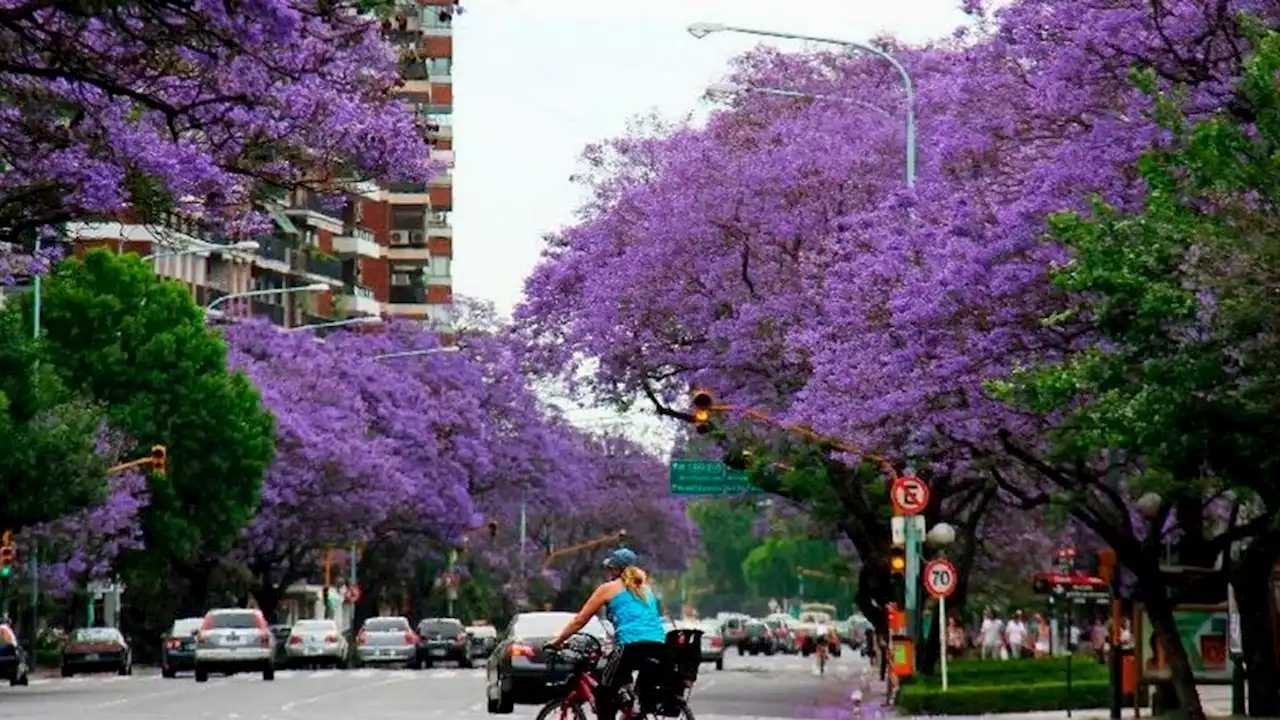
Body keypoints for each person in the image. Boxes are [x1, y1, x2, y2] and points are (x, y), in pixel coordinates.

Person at [548, 548, 666, 720]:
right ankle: (631, 712)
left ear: (617, 570)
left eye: (610, 569)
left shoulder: (608, 588)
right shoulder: (646, 589)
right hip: (658, 647)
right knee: (624, 687)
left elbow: (580, 620)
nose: (608, 573)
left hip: (630, 646)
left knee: (604, 694)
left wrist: (557, 641)